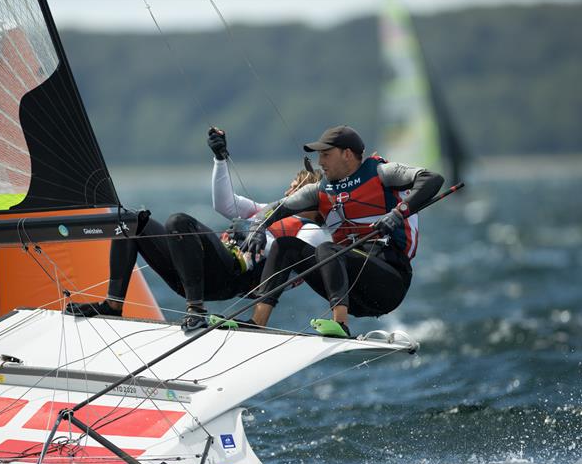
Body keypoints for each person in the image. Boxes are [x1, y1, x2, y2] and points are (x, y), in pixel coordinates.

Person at [67, 128, 330, 331]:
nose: (286, 193)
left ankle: (195, 310)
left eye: (294, 188)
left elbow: (292, 259)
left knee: (179, 222)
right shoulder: (266, 212)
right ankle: (113, 305)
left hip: (230, 277)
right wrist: (220, 159)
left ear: (308, 197)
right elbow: (224, 203)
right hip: (197, 271)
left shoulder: (313, 232)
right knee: (131, 222)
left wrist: (254, 227)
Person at [241, 125, 444, 337]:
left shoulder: (381, 173)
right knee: (285, 246)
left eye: (326, 155)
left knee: (329, 249)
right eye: (319, 156)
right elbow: (276, 208)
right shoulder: (319, 190)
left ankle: (340, 325)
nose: (320, 163)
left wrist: (398, 212)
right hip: (350, 290)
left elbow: (433, 178)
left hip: (389, 283)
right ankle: (258, 323)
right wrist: (257, 226)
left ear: (347, 154)